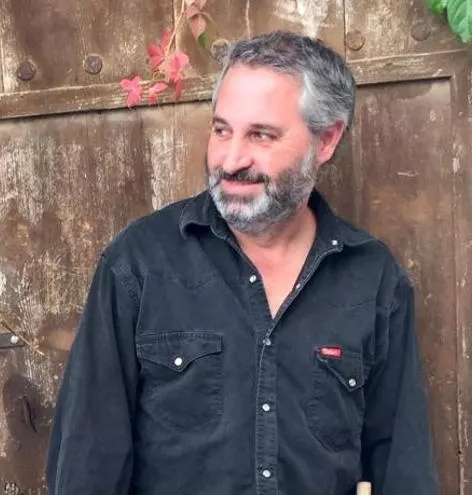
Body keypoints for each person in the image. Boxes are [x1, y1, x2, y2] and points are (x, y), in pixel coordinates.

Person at [45, 31, 439, 495]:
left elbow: (403, 468)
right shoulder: (139, 263)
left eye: (261, 135)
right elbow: (87, 465)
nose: (231, 159)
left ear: (326, 139)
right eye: (221, 130)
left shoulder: (372, 278)